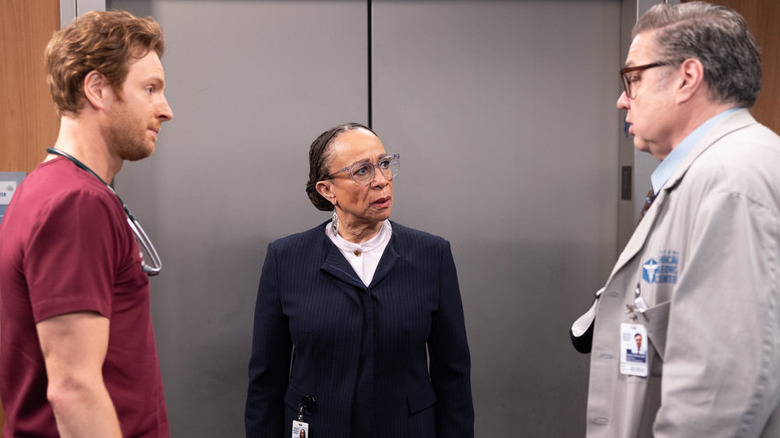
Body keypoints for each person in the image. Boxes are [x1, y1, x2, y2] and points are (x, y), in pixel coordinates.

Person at [571, 2, 780, 437]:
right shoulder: (704, 176)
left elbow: (719, 397)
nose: (622, 98)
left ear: (687, 78)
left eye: (634, 78)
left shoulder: (730, 183)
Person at [0, 10, 173, 437]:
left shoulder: (50, 189)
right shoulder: (76, 203)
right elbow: (73, 387)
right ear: (97, 88)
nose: (165, 110)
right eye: (150, 89)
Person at [245, 122, 474, 437]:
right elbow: (265, 381)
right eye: (362, 171)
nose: (381, 180)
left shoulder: (431, 255)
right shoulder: (286, 259)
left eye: (383, 164)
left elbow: (454, 377)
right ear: (327, 190)